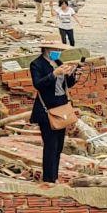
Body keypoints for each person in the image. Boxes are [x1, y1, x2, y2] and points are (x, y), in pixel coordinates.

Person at [29, 40, 78, 182]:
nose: (57, 51)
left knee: (59, 145)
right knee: (50, 145)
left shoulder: (58, 61)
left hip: (61, 107)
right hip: (47, 109)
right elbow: (38, 84)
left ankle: (54, 175)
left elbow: (67, 84)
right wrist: (53, 75)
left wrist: (72, 74)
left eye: (59, 49)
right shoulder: (37, 64)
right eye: (55, 49)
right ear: (46, 49)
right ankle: (49, 179)